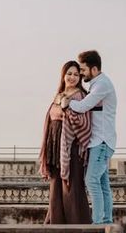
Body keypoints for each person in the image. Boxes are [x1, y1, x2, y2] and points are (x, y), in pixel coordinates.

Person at [61, 50, 117, 225]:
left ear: (93, 69)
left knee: (91, 180)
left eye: (83, 70)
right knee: (103, 185)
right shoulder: (97, 84)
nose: (81, 73)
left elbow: (83, 106)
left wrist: (67, 102)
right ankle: (106, 220)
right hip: (101, 141)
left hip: (101, 141)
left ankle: (99, 223)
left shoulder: (102, 85)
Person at [39, 60, 92, 224]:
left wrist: (67, 107)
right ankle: (56, 222)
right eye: (69, 74)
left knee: (73, 185)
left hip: (71, 146)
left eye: (76, 74)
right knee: (56, 185)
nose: (72, 77)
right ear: (63, 75)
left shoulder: (81, 96)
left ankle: (77, 224)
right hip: (55, 145)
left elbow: (84, 122)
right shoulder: (58, 95)